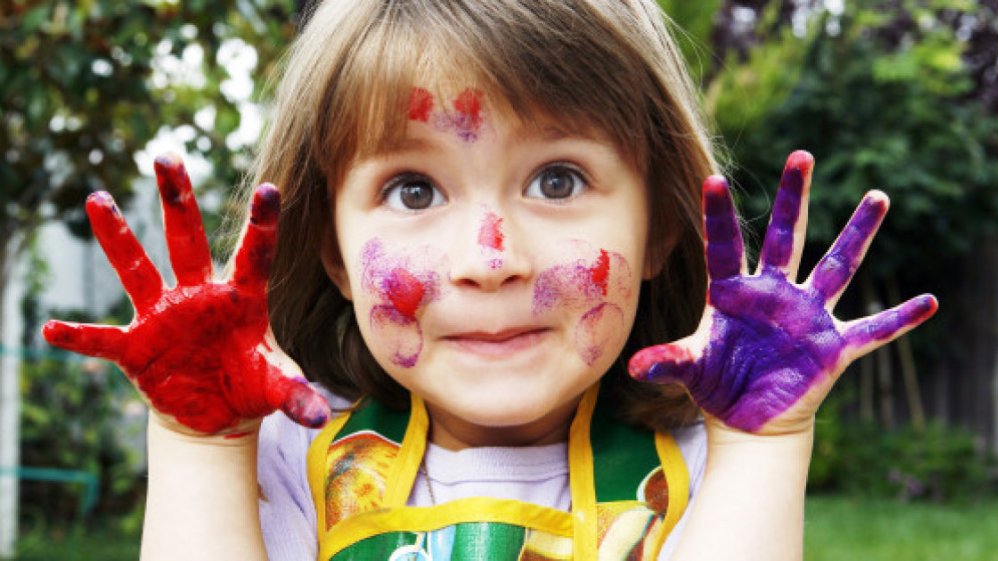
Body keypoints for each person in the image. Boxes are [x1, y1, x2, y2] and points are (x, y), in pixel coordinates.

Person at [41, 1, 938, 559]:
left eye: (558, 179)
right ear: (332, 252)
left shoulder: (702, 476)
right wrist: (198, 444)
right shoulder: (288, 466)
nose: (489, 255)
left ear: (663, 227)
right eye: (413, 188)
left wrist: (765, 446)